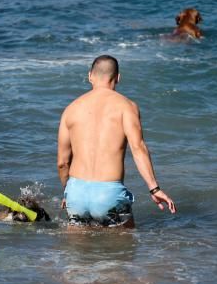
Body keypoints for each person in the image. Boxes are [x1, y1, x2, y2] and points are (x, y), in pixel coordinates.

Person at [57, 55, 176, 228]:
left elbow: (62, 162)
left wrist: (68, 194)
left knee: (77, 253)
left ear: (90, 75)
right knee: (123, 251)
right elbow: (138, 148)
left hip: (76, 193)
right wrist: (154, 188)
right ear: (118, 78)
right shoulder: (126, 106)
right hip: (109, 194)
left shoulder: (70, 109)